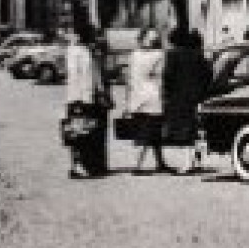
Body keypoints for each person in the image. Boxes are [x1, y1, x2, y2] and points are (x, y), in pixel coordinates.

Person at [62, 23, 112, 178]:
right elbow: (83, 76)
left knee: (78, 132)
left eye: (71, 33)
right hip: (82, 98)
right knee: (80, 133)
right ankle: (79, 166)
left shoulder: (78, 51)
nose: (69, 36)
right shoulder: (81, 52)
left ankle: (81, 166)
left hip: (79, 97)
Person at [162, 27, 213, 175]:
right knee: (195, 130)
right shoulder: (199, 56)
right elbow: (208, 75)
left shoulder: (172, 55)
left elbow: (168, 77)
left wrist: (168, 94)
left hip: (178, 98)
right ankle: (195, 161)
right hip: (197, 97)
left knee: (184, 134)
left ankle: (186, 164)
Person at [124, 26, 169, 174]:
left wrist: (128, 101)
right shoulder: (159, 55)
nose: (153, 40)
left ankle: (160, 162)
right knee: (148, 131)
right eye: (152, 38)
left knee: (150, 132)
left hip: (137, 97)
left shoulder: (134, 55)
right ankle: (138, 166)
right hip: (152, 96)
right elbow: (160, 77)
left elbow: (129, 79)